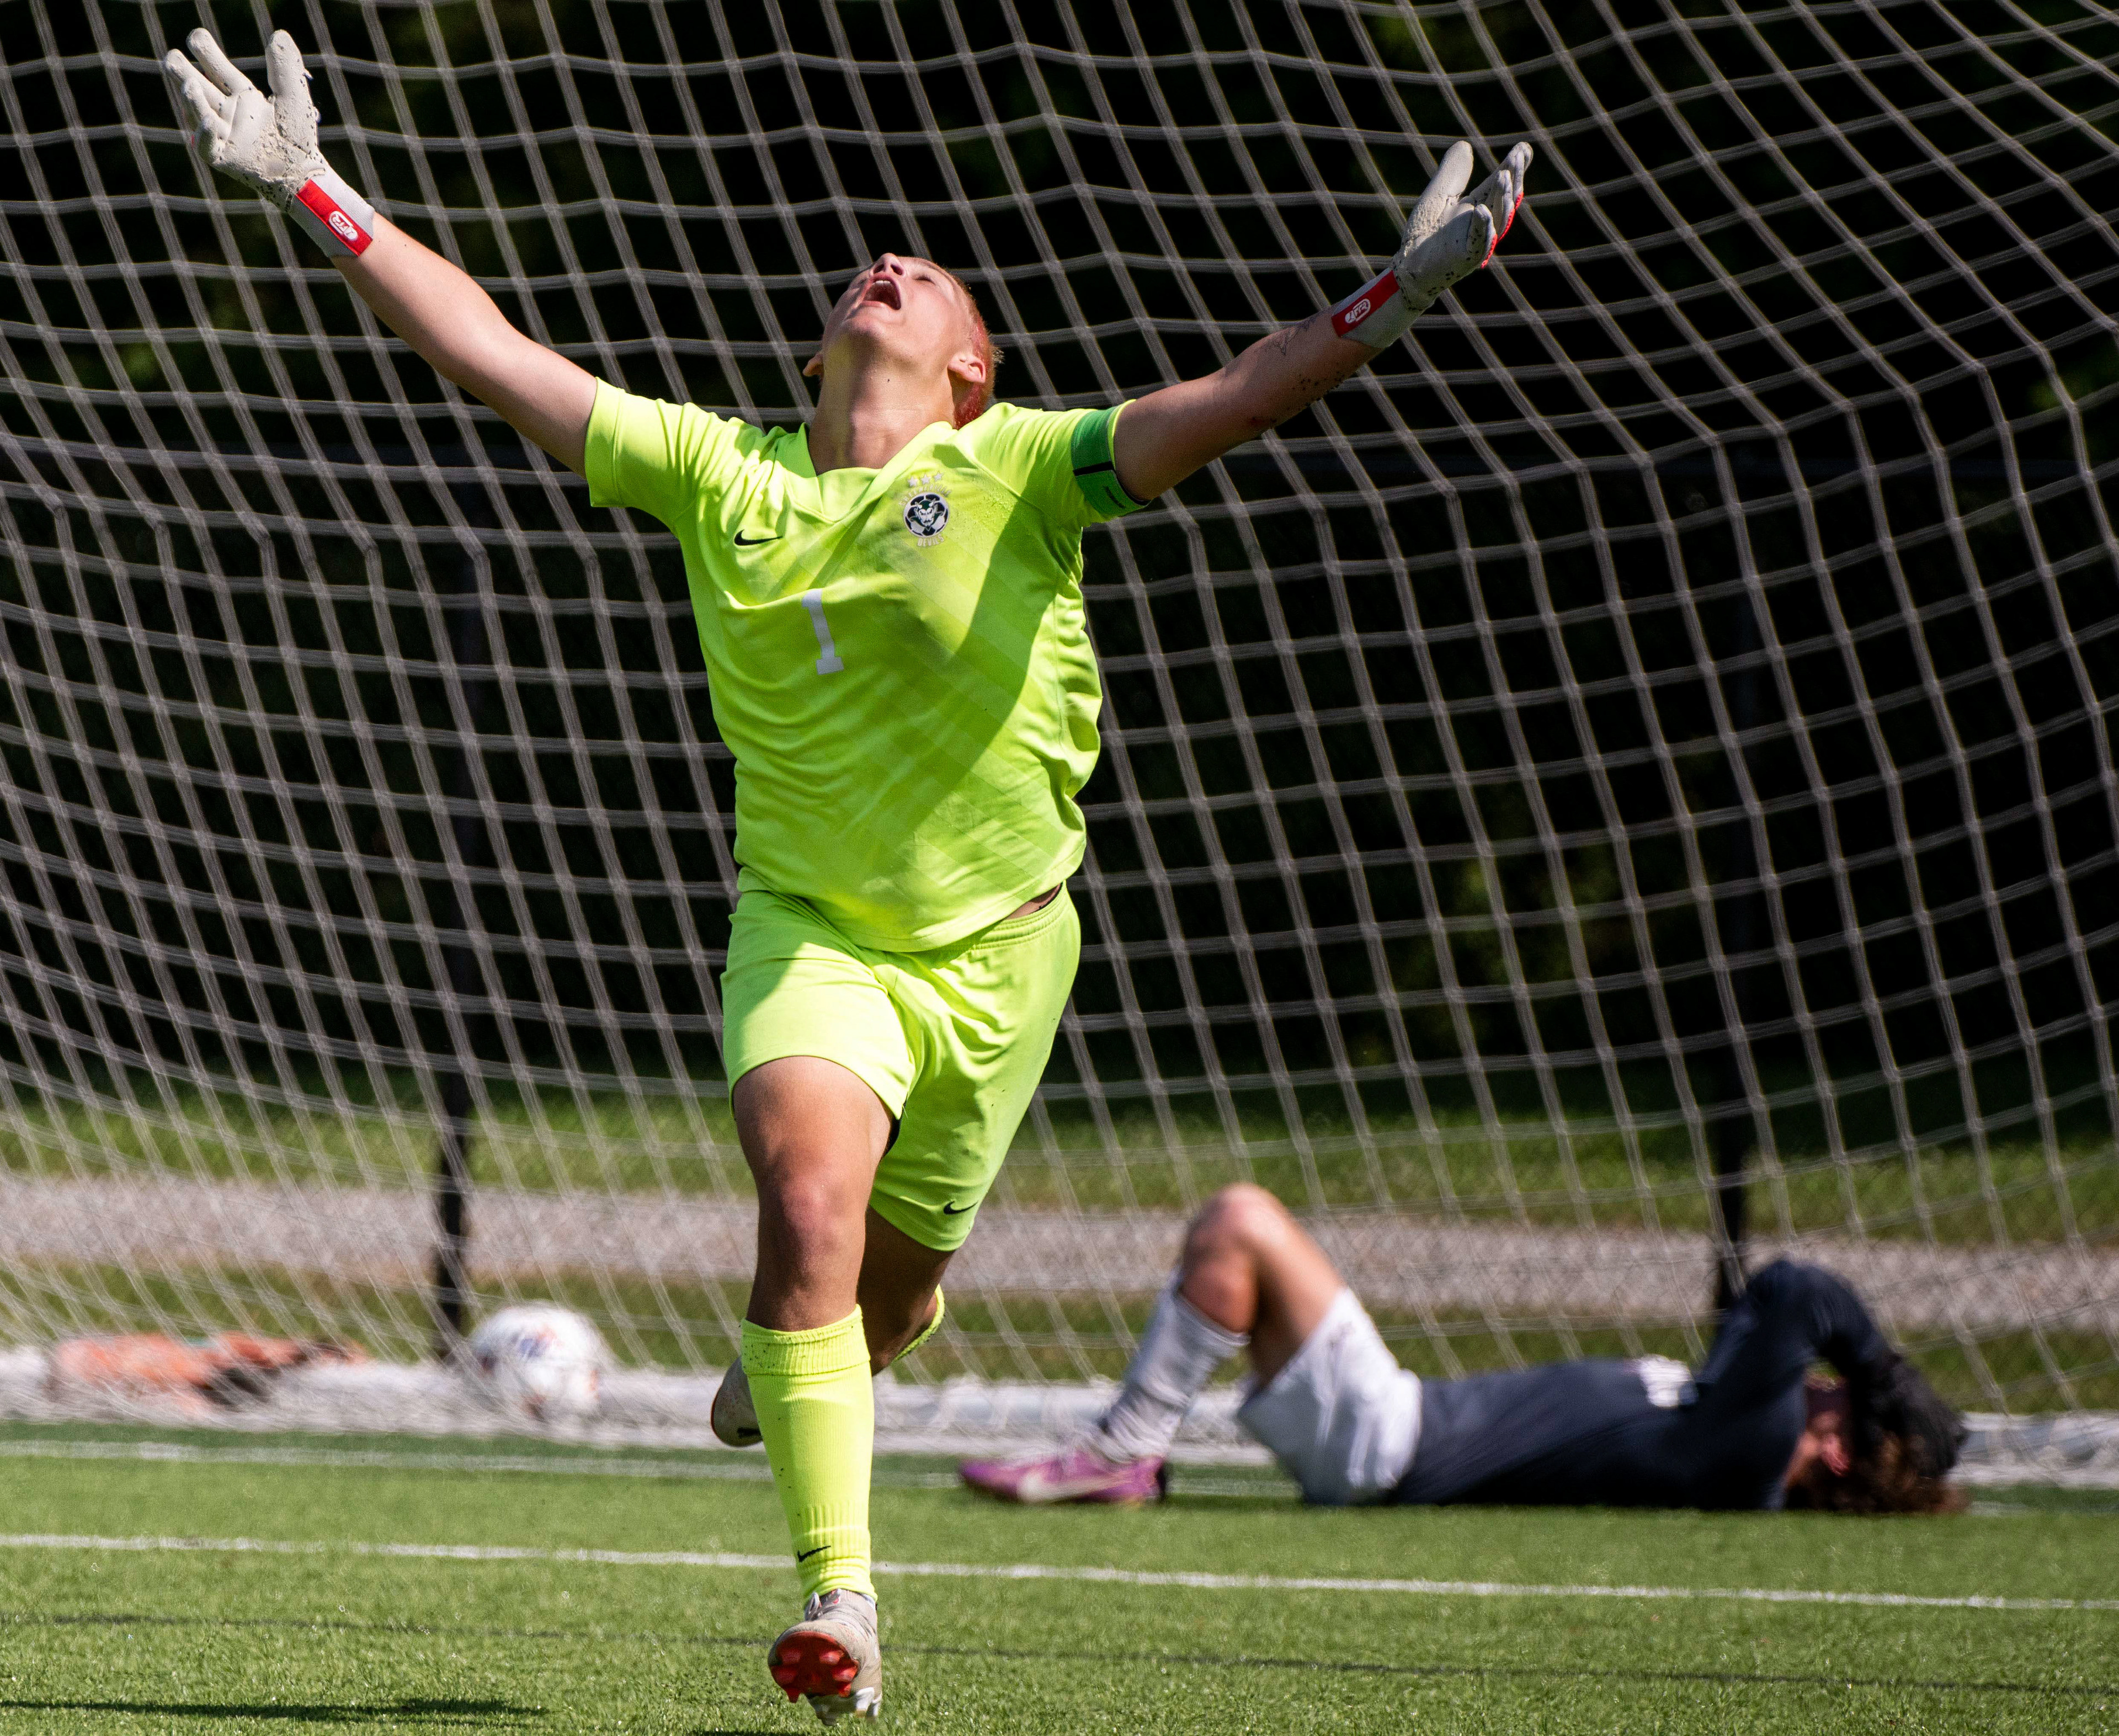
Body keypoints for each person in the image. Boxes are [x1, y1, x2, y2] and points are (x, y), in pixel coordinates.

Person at [163, 26, 1533, 1723]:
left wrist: (1397, 297)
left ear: (973, 365)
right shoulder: (714, 473)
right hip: (810, 937)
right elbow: (496, 351)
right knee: (804, 1210)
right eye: (871, 267)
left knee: (882, 1297)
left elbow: (1246, 393)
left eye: (929, 276)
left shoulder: (1026, 466)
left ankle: (821, 1341)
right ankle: (844, 1606)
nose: (887, 267)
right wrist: (314, 185)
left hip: (1006, 964)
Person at [961, 1184, 1968, 1515]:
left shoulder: (1752, 1445)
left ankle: (1124, 1448)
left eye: (1845, 1403)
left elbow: (1797, 1289)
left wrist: (1882, 1370)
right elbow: (1785, 1303)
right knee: (1239, 1248)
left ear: (1834, 1450)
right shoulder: (1732, 1433)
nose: (1826, 1385)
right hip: (1389, 1441)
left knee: (1242, 1218)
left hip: (1393, 1441)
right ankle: (1128, 1448)